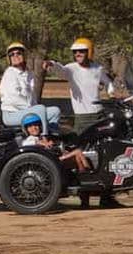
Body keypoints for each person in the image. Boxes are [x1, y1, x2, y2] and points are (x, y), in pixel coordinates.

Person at [43, 37, 119, 207]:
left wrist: (112, 94)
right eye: (75, 52)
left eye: (81, 51)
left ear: (89, 52)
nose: (78, 54)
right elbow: (60, 70)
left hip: (99, 116)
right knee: (81, 155)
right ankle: (84, 198)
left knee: (106, 155)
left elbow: (108, 83)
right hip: (82, 119)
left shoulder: (97, 69)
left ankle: (106, 197)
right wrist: (51, 64)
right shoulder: (71, 69)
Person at [0, 42, 61, 135]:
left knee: (55, 111)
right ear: (9, 59)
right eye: (12, 54)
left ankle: (54, 135)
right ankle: (44, 136)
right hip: (11, 114)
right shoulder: (10, 74)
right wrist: (32, 109)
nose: (15, 56)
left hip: (25, 111)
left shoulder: (28, 74)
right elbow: (13, 99)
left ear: (24, 55)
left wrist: (33, 108)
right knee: (40, 109)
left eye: (18, 53)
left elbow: (32, 97)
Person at [21, 117, 90, 173]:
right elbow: (25, 143)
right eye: (30, 127)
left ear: (40, 126)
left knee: (77, 157)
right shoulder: (30, 139)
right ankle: (88, 170)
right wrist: (41, 143)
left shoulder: (42, 137)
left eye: (36, 125)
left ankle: (82, 172)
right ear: (26, 130)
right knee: (78, 151)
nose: (34, 128)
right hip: (50, 161)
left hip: (54, 158)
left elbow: (51, 148)